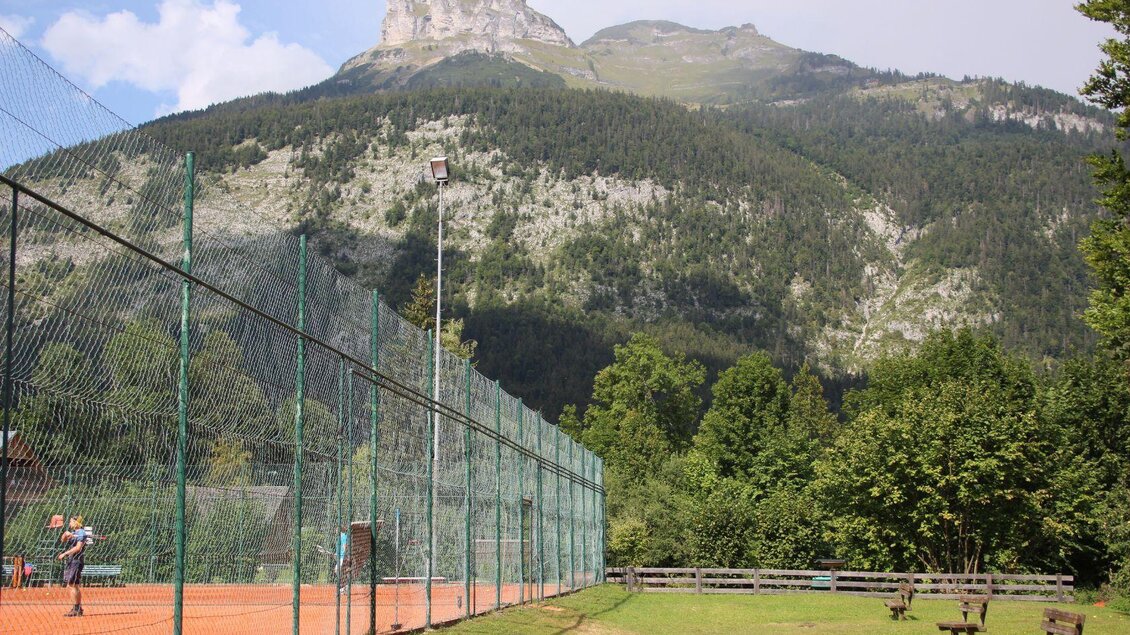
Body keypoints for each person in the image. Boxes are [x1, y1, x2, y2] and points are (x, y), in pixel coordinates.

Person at [57, 515, 87, 617]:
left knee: (72, 584)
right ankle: (77, 608)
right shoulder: (74, 533)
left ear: (76, 522)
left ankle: (76, 608)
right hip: (72, 560)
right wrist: (65, 534)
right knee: (74, 585)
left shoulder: (81, 533)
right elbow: (62, 540)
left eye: (71, 522)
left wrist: (65, 553)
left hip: (76, 560)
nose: (69, 524)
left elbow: (78, 548)